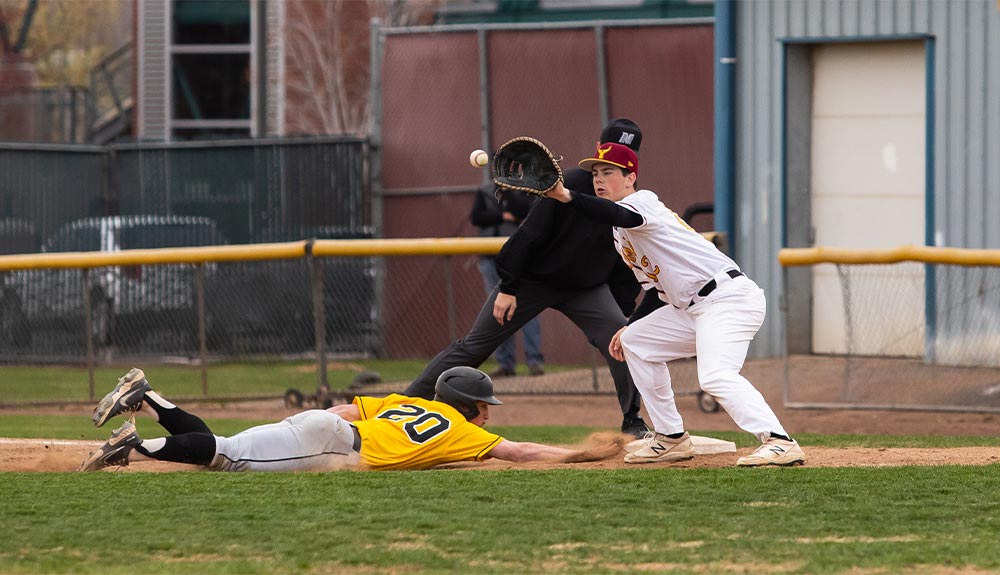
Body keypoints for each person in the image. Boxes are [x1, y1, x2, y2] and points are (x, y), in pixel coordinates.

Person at [544, 142, 806, 467]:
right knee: (635, 342)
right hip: (692, 308)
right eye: (595, 173)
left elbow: (615, 212)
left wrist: (566, 196)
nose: (599, 179)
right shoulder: (620, 232)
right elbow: (656, 290)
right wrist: (629, 326)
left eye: (608, 172)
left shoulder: (642, 202)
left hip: (728, 299)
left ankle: (779, 441)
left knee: (715, 376)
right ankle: (670, 438)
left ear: (630, 177)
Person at [404, 119, 649, 438]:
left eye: (625, 152)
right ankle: (405, 404)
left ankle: (632, 420)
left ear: (632, 165)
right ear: (598, 151)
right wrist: (509, 286)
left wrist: (621, 309)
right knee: (473, 347)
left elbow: (626, 260)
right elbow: (528, 235)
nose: (614, 159)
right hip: (532, 281)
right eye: (609, 152)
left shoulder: (632, 202)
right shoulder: (569, 184)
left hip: (586, 289)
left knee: (623, 342)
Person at [79, 367, 621, 472]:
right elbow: (520, 451)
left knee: (226, 443)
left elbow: (341, 409)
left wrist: (302, 423)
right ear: (472, 407)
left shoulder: (413, 402)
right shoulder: (467, 431)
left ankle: (151, 402)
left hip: (326, 424)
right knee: (225, 457)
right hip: (335, 448)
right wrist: (580, 455)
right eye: (485, 406)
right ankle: (136, 447)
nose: (488, 414)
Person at [470, 182, 544, 377]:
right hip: (489, 256)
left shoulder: (524, 192)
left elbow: (524, 213)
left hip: (516, 256)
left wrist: (508, 193)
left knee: (527, 308)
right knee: (497, 310)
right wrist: (502, 215)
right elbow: (476, 217)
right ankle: (505, 363)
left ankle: (534, 360)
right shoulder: (485, 191)